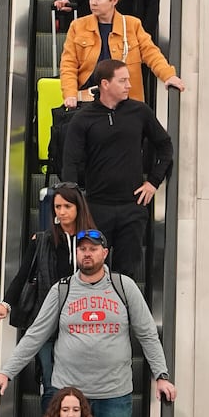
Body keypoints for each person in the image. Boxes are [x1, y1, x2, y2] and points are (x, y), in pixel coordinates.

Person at [0, 229, 176, 417]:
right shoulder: (62, 289)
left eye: (93, 248)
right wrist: (6, 373)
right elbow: (36, 334)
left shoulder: (124, 286)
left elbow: (147, 333)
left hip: (113, 395)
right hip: (69, 396)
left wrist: (161, 375)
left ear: (105, 253)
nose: (87, 253)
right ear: (76, 254)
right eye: (82, 248)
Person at [0, 183, 97, 411]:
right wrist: (6, 304)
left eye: (67, 206)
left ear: (78, 208)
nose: (61, 211)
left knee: (82, 386)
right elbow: (23, 274)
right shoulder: (43, 240)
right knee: (51, 382)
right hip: (47, 322)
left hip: (82, 324)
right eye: (57, 207)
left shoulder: (91, 242)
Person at [60, 59, 173, 279]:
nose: (129, 85)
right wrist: (74, 206)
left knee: (126, 274)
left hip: (132, 206)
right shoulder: (83, 119)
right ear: (105, 84)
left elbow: (165, 146)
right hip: (95, 208)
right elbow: (70, 164)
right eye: (122, 81)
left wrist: (153, 182)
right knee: (89, 270)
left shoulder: (140, 112)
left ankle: (122, 313)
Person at [59, 0, 182, 108]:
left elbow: (152, 54)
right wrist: (70, 94)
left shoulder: (132, 25)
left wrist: (168, 76)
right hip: (89, 102)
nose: (93, 2)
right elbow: (68, 64)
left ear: (114, 0)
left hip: (126, 103)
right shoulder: (78, 26)